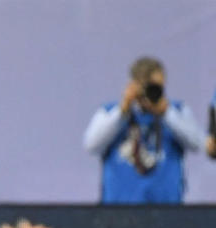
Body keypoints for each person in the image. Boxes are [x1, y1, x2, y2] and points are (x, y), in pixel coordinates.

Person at [83, 56, 203, 204]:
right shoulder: (109, 112)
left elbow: (197, 143)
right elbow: (91, 145)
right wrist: (122, 111)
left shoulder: (177, 110)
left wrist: (167, 114)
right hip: (119, 209)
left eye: (159, 88)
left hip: (167, 209)